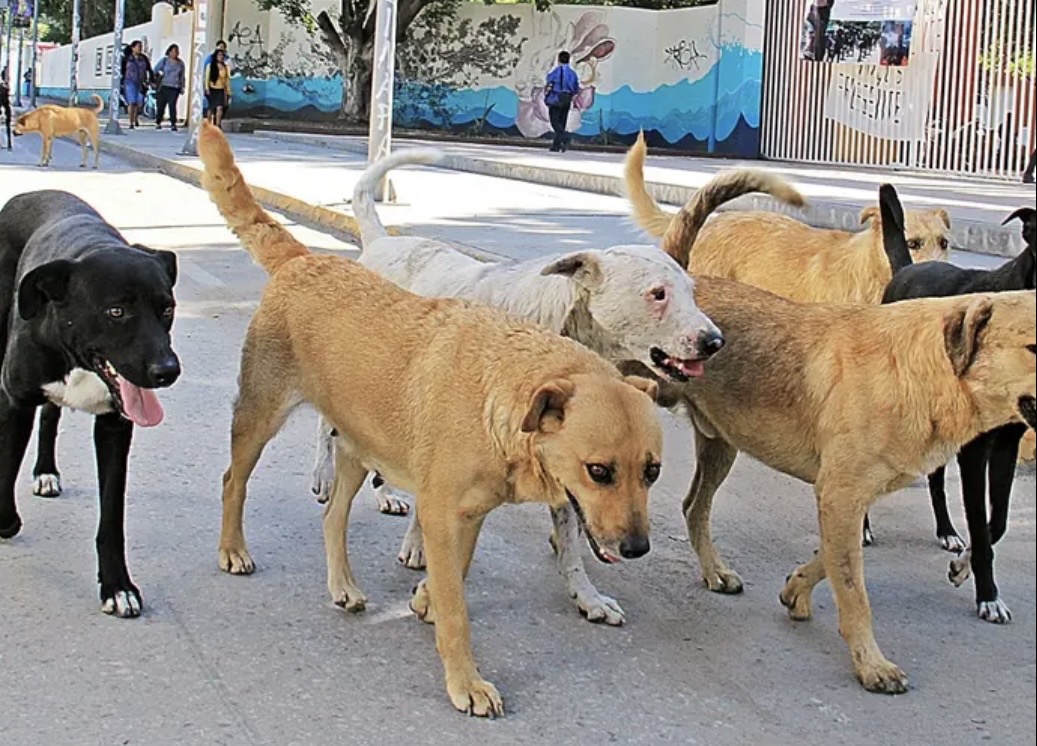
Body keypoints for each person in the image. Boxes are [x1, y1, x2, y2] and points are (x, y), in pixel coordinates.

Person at [544, 51, 580, 153]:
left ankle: (565, 137)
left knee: (555, 121)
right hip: (567, 98)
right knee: (562, 121)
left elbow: (549, 80)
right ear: (569, 60)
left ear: (559, 59)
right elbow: (576, 88)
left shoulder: (556, 71)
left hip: (556, 97)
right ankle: (557, 145)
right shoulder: (572, 73)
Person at [153, 44, 186, 131]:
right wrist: (159, 75)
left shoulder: (180, 63)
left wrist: (182, 86)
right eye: (174, 51)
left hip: (175, 87)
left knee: (172, 105)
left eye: (177, 51)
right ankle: (158, 121)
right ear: (169, 52)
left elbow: (182, 76)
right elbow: (155, 70)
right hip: (164, 86)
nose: (176, 53)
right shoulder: (164, 61)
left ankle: (173, 123)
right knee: (161, 105)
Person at [121, 41, 152, 129]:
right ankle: (131, 122)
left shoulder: (144, 58)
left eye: (141, 46)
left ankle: (136, 118)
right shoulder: (127, 58)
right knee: (132, 102)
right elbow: (122, 70)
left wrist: (150, 80)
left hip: (141, 83)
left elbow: (149, 69)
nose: (140, 48)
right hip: (129, 82)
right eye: (138, 46)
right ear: (133, 48)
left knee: (139, 103)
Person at [205, 48, 231, 129]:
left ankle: (218, 124)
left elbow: (227, 80)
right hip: (212, 88)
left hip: (221, 89)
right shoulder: (210, 66)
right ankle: (208, 124)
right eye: (219, 55)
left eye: (222, 55)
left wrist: (228, 91)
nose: (221, 57)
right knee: (211, 108)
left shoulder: (225, 67)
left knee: (220, 107)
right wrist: (206, 88)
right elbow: (207, 78)